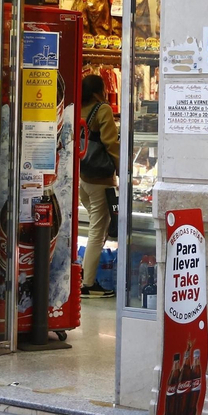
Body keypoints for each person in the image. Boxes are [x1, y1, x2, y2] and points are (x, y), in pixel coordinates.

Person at [77, 75, 120, 298]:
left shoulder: (78, 106)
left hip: (82, 177)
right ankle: (87, 283)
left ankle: (83, 277)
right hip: (100, 181)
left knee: (94, 227)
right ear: (98, 90)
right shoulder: (102, 109)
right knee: (97, 232)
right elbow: (111, 143)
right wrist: (122, 169)